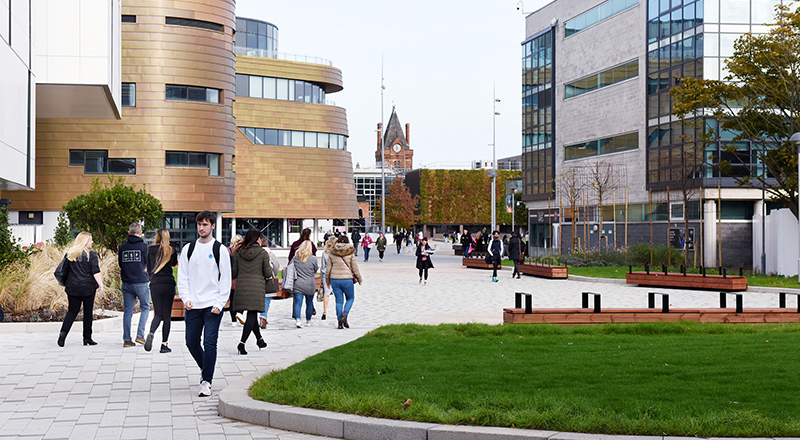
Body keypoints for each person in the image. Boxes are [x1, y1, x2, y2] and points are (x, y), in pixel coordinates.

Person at [177, 211, 232, 397]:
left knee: (210, 343)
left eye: (205, 224)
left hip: (212, 305)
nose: (201, 228)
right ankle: (206, 368)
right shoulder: (189, 249)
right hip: (193, 305)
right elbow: (182, 277)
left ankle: (206, 381)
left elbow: (225, 278)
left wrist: (220, 302)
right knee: (191, 342)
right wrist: (186, 298)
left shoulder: (219, 249)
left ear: (213, 226)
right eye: (199, 224)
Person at [57, 232, 104, 347]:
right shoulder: (91, 254)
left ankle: (63, 334)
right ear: (85, 241)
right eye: (90, 240)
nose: (92, 242)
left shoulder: (70, 254)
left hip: (72, 287)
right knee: (88, 312)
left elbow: (64, 271)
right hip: (88, 288)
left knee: (72, 311)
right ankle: (87, 338)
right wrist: (101, 285)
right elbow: (95, 271)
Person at [231, 229, 271, 355]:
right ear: (257, 239)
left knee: (252, 315)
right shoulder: (263, 253)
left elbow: (234, 273)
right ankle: (242, 344)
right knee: (252, 315)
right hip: (256, 288)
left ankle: (260, 340)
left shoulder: (239, 252)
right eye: (261, 238)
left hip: (242, 288)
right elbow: (268, 273)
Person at [144, 229, 179, 353]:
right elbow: (174, 264)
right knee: (167, 316)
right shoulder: (171, 250)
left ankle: (151, 333)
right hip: (168, 284)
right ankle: (164, 345)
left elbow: (148, 268)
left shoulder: (150, 250)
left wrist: (152, 278)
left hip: (156, 284)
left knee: (158, 314)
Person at [119, 223, 150, 348]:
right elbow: (148, 264)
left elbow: (120, 264)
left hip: (126, 283)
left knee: (127, 311)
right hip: (141, 282)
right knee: (145, 308)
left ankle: (127, 339)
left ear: (129, 232)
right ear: (140, 233)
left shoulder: (122, 247)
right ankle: (140, 335)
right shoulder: (144, 247)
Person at [325, 236, 362, 329]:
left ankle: (339, 322)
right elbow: (354, 267)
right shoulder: (350, 252)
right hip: (347, 279)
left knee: (339, 301)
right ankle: (344, 315)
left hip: (335, 279)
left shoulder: (332, 252)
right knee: (350, 298)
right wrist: (359, 279)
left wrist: (327, 281)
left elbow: (328, 269)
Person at [287, 228, 316, 318]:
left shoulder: (295, 244)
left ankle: (295, 314)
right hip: (308, 273)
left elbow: (290, 257)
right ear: (309, 235)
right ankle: (310, 311)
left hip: (297, 274)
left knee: (297, 298)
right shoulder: (311, 245)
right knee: (309, 297)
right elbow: (314, 257)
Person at [291, 241, 319, 328]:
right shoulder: (313, 259)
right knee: (309, 302)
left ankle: (298, 320)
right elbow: (315, 270)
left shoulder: (296, 258)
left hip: (298, 283)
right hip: (310, 283)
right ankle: (308, 321)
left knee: (298, 303)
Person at [259, 242, 281, 329]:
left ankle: (261, 318)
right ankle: (262, 318)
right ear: (267, 245)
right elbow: (276, 266)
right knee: (266, 300)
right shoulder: (271, 254)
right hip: (268, 281)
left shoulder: (257, 253)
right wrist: (273, 275)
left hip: (258, 280)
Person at [318, 236, 336, 321]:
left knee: (326, 293)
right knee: (337, 293)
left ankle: (324, 312)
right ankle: (338, 311)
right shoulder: (336, 253)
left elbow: (323, 266)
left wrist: (322, 278)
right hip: (335, 274)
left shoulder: (325, 253)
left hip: (326, 274)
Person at [226, 234, 244, 324]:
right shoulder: (243, 251)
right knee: (242, 298)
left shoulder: (228, 251)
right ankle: (240, 313)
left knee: (232, 300)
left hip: (230, 278)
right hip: (240, 278)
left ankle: (233, 321)